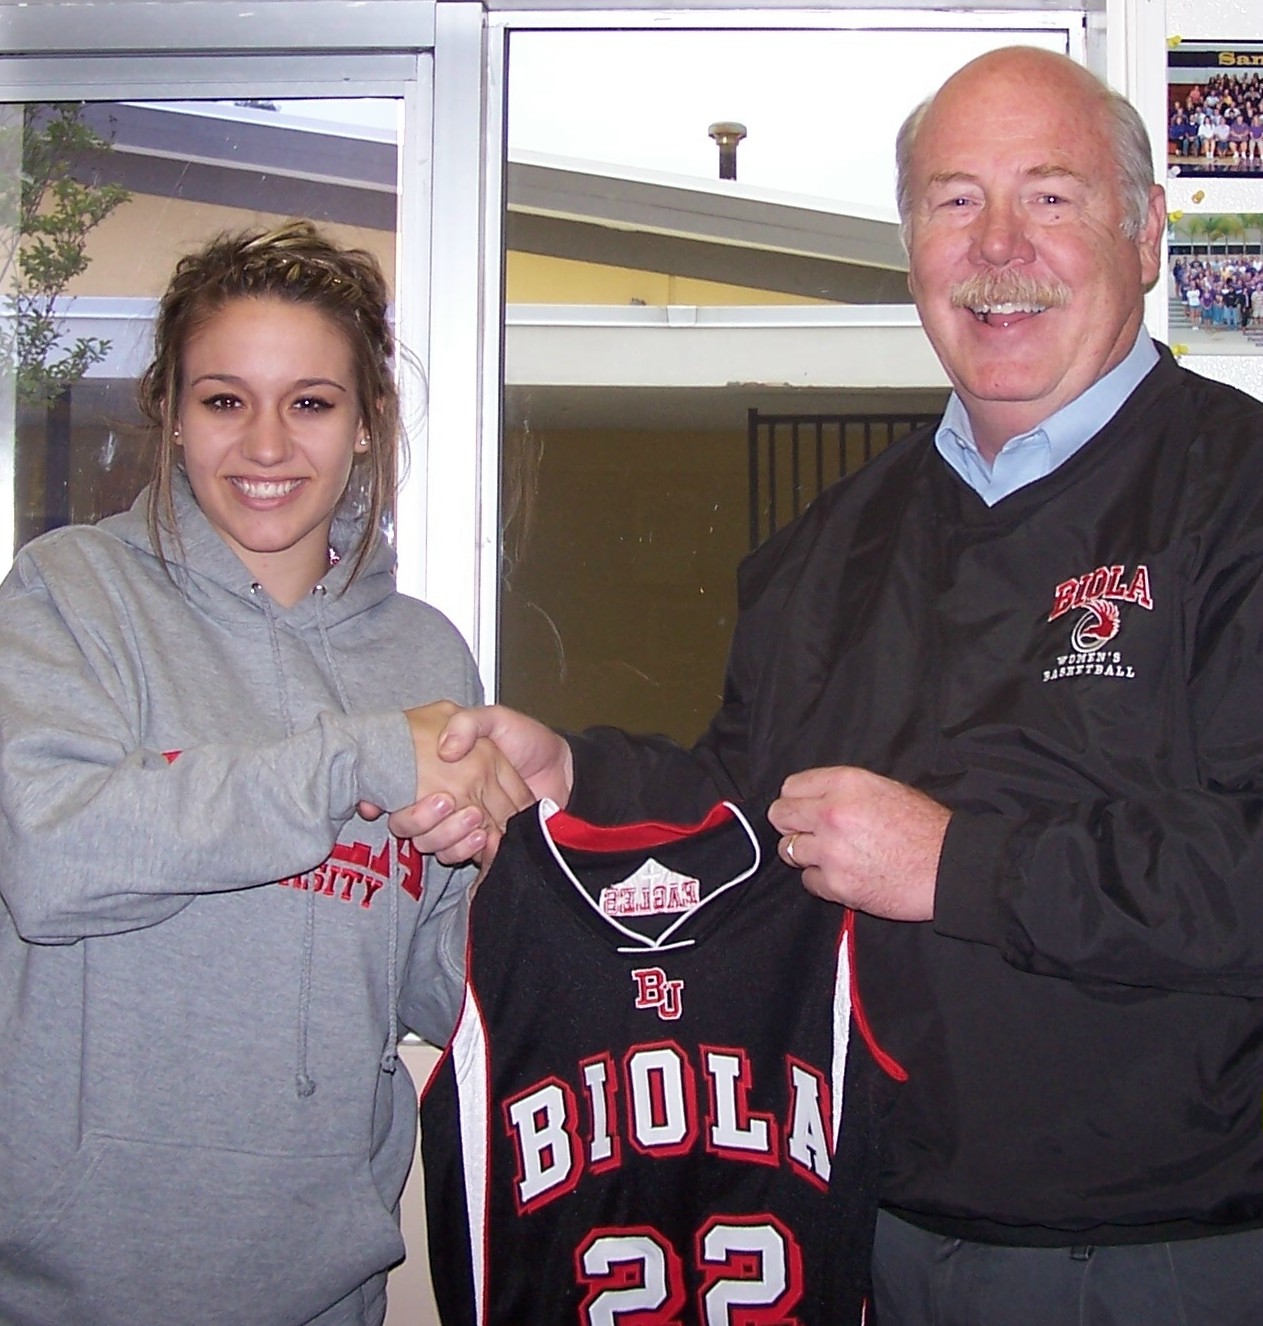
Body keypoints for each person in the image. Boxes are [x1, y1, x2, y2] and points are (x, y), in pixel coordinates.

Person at [411, 46, 1263, 1324]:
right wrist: (579, 773)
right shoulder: (829, 546)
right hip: (862, 1232)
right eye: (954, 200)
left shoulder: (1235, 492)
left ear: (1144, 235)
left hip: (1168, 1247)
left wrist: (957, 864)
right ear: (910, 242)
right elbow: (758, 810)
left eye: (1050, 195)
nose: (998, 247)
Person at [0, 220, 530, 1326]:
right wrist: (361, 754)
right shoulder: (69, 595)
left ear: (367, 424)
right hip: (69, 1287)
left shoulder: (426, 655)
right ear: (169, 413)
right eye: (225, 399)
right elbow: (50, 858)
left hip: (325, 1286)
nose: (267, 446)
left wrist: (508, 876)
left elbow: (432, 982)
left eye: (312, 402)